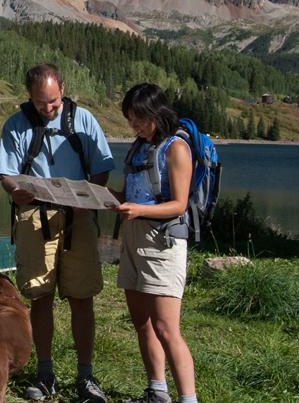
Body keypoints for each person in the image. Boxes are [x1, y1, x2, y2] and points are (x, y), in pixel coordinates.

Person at [0, 64, 114, 403]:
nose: (47, 109)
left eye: (52, 102)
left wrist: (87, 199)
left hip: (78, 218)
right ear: (29, 96)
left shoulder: (84, 120)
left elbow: (103, 169)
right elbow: (7, 173)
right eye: (39, 103)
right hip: (35, 218)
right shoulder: (16, 124)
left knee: (82, 297)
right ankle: (45, 373)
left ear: (62, 88)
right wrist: (14, 190)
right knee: (40, 295)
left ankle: (86, 376)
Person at [113, 83, 198, 403]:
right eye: (130, 120)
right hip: (133, 238)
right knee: (142, 322)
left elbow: (179, 204)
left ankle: (188, 398)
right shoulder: (138, 146)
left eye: (139, 120)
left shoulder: (176, 147)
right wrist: (111, 200)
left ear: (157, 113)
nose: (134, 126)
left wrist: (139, 210)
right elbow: (132, 194)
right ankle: (156, 390)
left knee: (166, 328)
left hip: (162, 241)